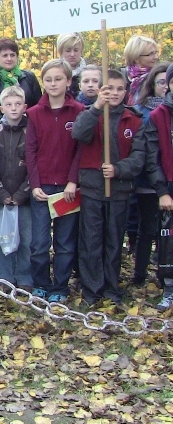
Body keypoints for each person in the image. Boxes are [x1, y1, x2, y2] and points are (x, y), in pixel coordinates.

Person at [72, 70, 145, 306]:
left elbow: (139, 156)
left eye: (119, 89)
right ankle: (92, 289)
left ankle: (112, 288)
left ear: (126, 91)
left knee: (114, 241)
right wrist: (96, 108)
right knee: (91, 241)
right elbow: (78, 134)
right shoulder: (90, 114)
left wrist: (119, 169)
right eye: (109, 88)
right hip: (93, 188)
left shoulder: (133, 120)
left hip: (119, 191)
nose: (114, 93)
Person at [25, 59, 85, 303]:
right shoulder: (35, 113)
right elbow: (30, 151)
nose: (53, 84)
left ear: (68, 81)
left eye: (58, 79)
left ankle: (60, 286)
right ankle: (41, 283)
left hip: (67, 189)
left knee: (65, 242)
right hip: (42, 188)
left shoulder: (79, 112)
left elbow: (81, 151)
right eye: (48, 79)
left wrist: (73, 181)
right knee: (39, 242)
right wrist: (35, 184)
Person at [127, 62, 170, 286]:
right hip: (147, 178)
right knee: (147, 228)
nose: (164, 87)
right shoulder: (141, 111)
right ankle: (140, 273)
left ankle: (165, 272)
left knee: (167, 230)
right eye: (160, 82)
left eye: (167, 82)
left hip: (169, 177)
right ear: (152, 84)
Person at [0, 86, 32, 289]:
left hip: (24, 196)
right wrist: (1, 193)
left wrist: (20, 194)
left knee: (26, 238)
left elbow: (34, 166)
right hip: (2, 196)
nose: (13, 108)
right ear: (1, 108)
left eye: (18, 104)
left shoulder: (31, 132)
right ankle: (4, 277)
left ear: (25, 107)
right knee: (0, 239)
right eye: (9, 104)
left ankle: (25, 277)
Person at [146, 62, 173, 310]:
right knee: (168, 240)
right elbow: (152, 157)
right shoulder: (158, 116)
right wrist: (162, 191)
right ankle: (169, 287)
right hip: (169, 185)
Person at [0, 38, 43, 122]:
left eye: (12, 55)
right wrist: (6, 120)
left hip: (28, 126)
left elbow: (38, 105)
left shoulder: (29, 77)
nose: (9, 59)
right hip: (0, 129)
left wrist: (24, 119)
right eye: (5, 55)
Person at [124, 35, 160, 106]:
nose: (156, 57)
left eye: (156, 52)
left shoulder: (158, 76)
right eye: (151, 54)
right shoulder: (123, 77)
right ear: (136, 58)